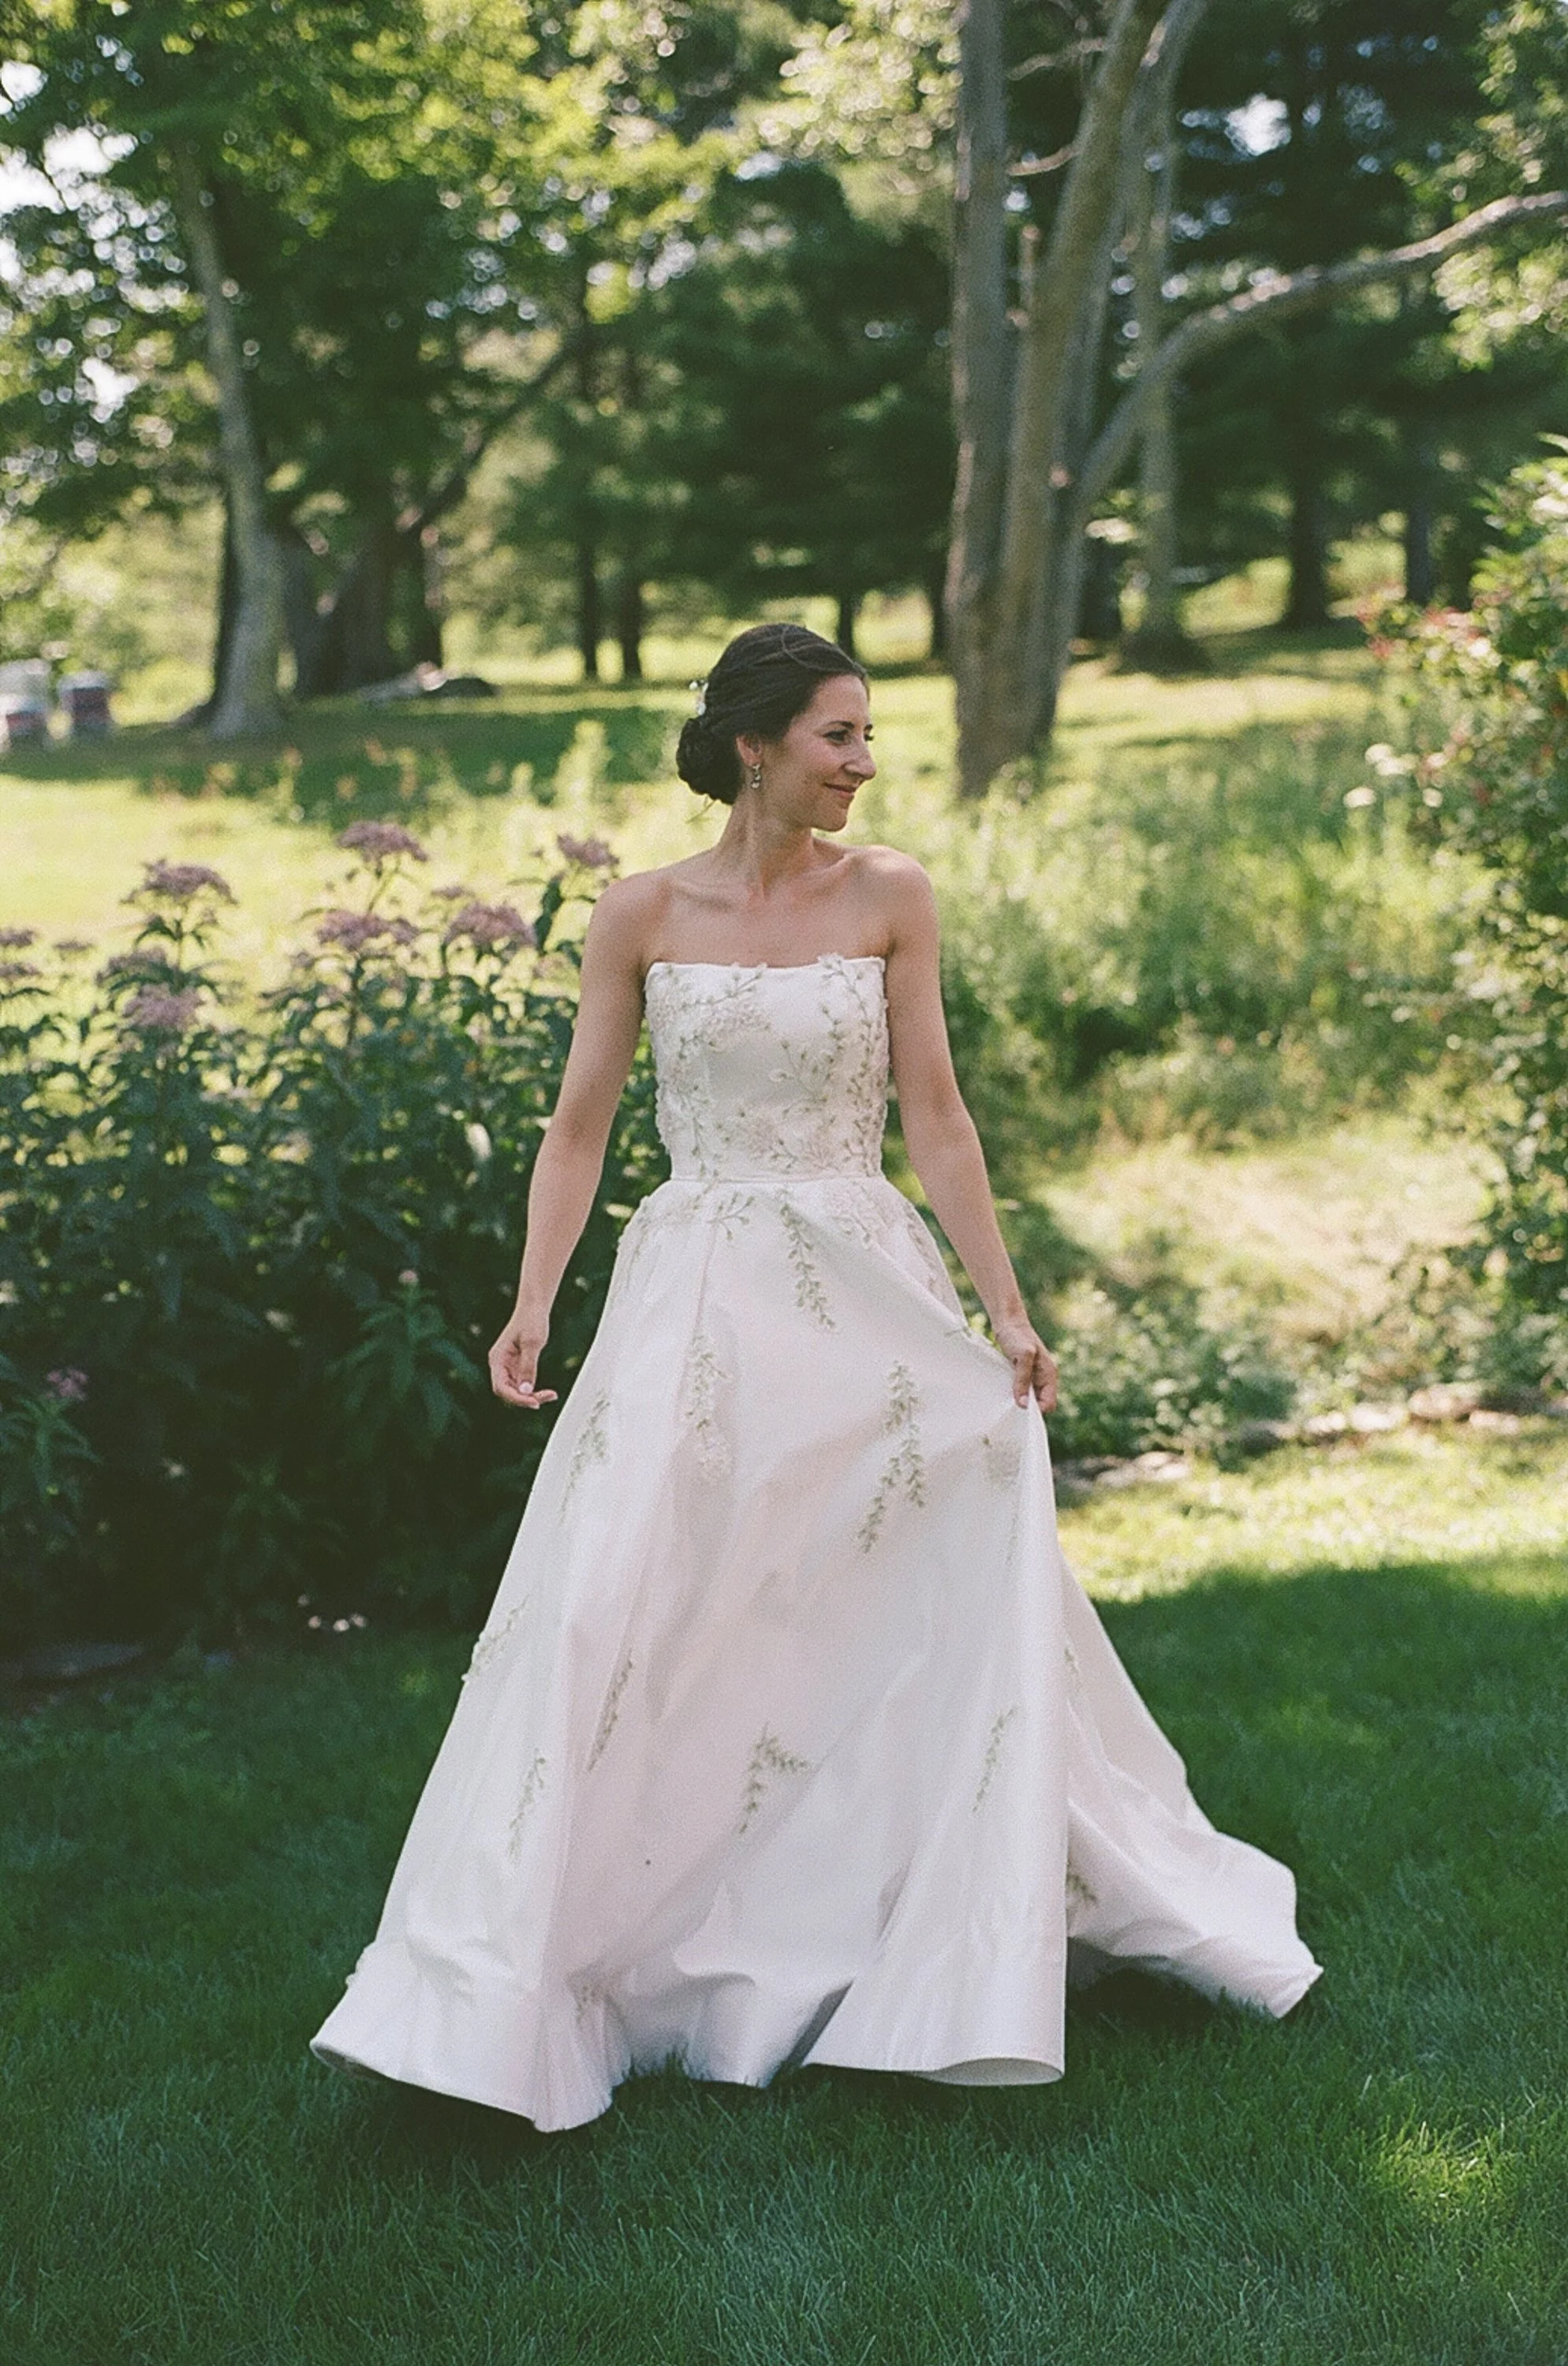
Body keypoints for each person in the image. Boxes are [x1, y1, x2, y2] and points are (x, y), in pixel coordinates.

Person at [312, 621, 1320, 2131]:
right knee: (626, 1604)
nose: (862, 764)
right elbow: (580, 1127)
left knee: (889, 1592)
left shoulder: (893, 894)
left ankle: (882, 1922)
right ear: (753, 748)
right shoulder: (639, 914)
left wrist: (1008, 1312)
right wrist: (534, 1306)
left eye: (867, 739)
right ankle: (572, 1964)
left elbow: (939, 1119)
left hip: (865, 1285)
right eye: (838, 736)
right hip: (694, 1289)